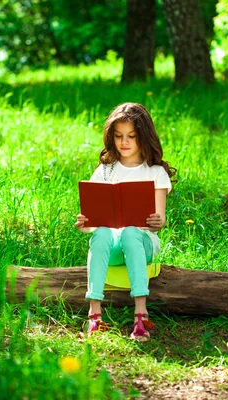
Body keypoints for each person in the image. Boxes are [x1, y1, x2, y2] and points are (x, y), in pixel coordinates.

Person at [75, 102, 176, 341]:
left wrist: (155, 221)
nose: (124, 142)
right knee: (101, 234)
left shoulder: (155, 172)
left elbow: (159, 221)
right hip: (113, 244)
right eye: (119, 136)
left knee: (131, 232)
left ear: (144, 136)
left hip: (143, 242)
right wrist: (85, 223)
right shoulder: (105, 171)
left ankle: (141, 315)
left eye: (131, 136)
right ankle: (94, 315)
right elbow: (94, 223)